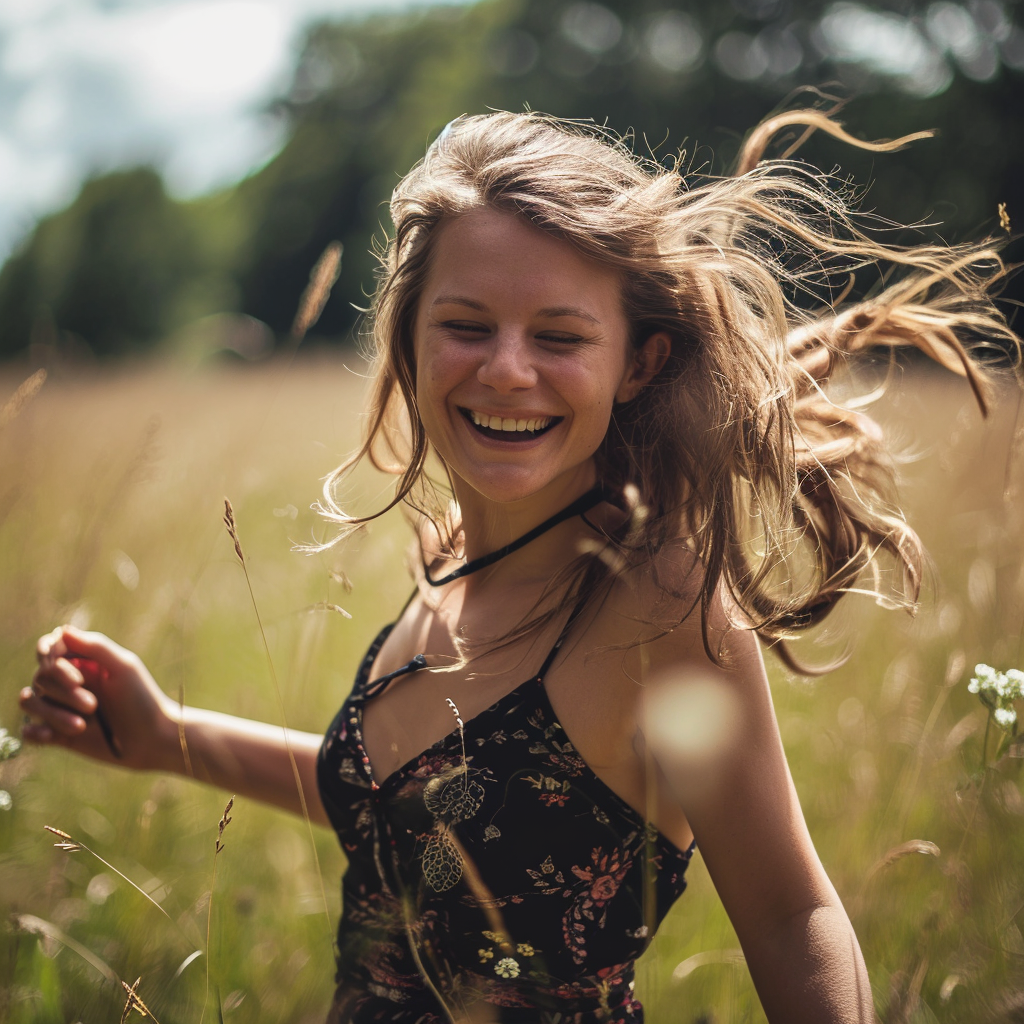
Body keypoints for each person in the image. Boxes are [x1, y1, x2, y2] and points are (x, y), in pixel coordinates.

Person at [21, 109, 1019, 1024]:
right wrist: (168, 737)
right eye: (465, 325)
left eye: (558, 336)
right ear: (408, 341)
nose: (505, 367)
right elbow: (404, 813)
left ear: (638, 364)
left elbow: (789, 910)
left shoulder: (657, 605)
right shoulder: (449, 563)